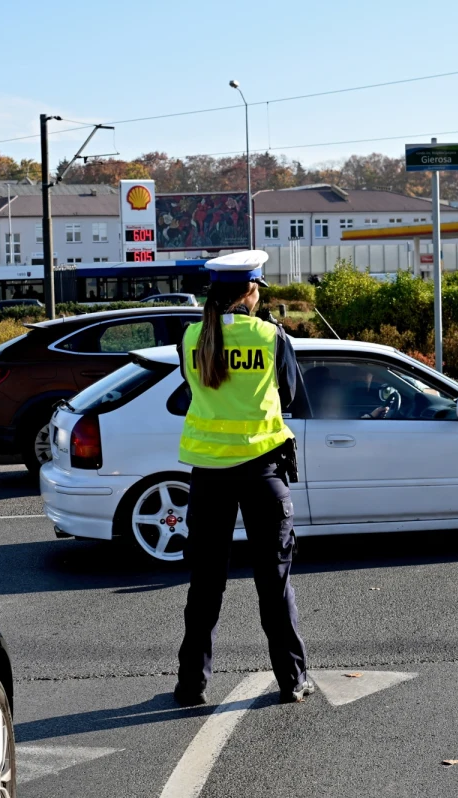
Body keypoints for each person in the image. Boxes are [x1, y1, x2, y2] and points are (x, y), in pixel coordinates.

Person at [173, 250, 313, 707]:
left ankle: (191, 684)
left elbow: (191, 391)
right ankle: (292, 681)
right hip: (261, 472)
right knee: (273, 582)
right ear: (252, 292)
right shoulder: (271, 337)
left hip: (208, 476)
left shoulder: (192, 336)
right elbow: (290, 395)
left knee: (205, 585)